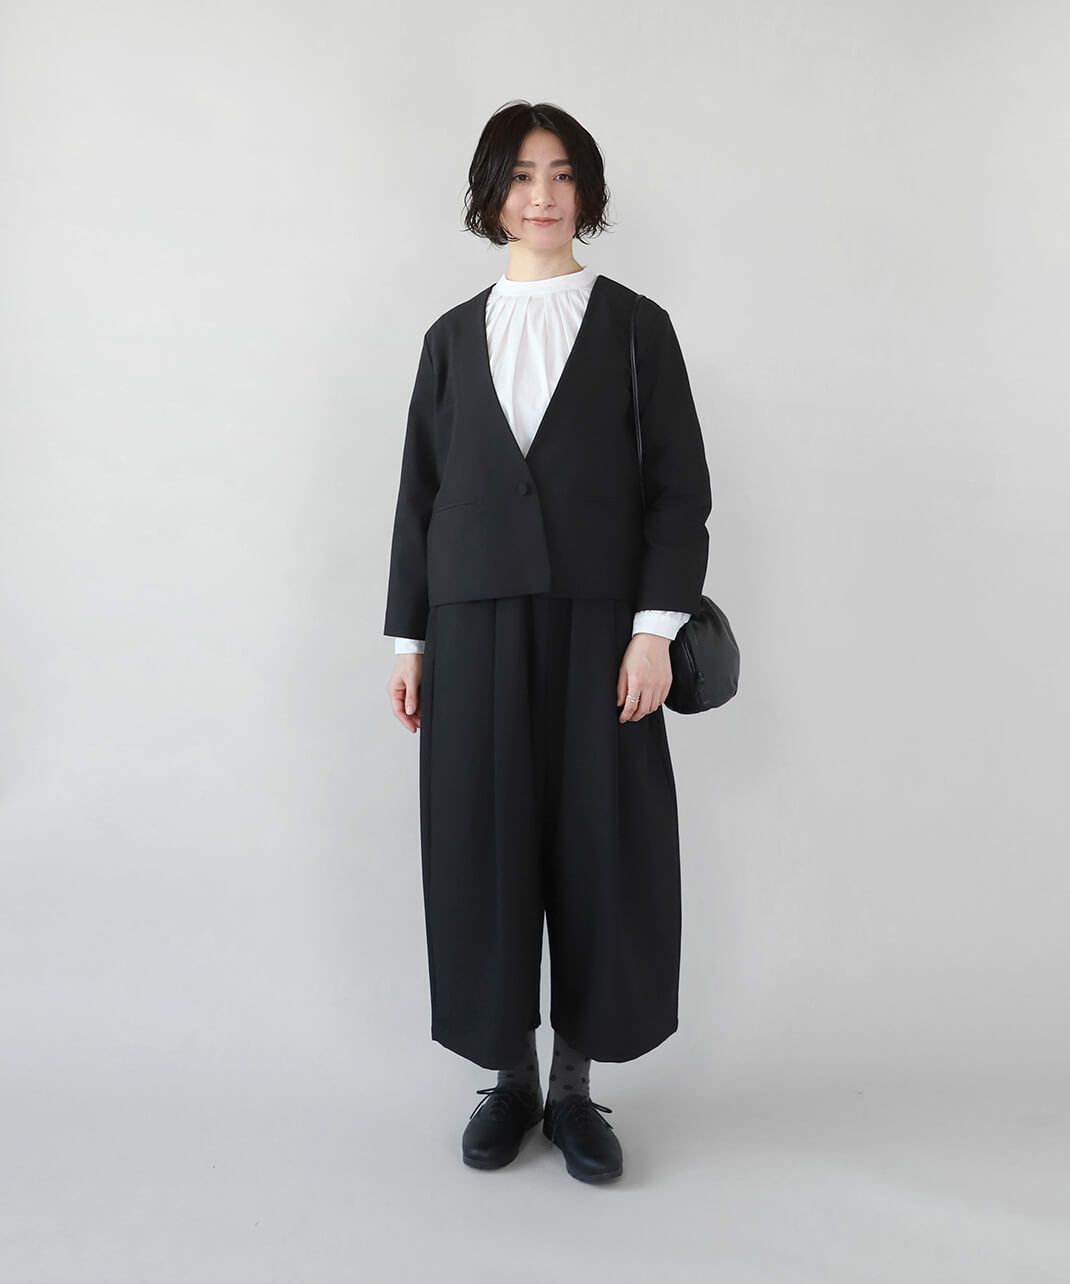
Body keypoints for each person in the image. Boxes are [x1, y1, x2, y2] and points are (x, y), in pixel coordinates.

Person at [383, 100, 712, 1183]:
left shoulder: (637, 329)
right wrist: (407, 642)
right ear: (491, 196)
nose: (542, 196)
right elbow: (419, 499)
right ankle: (510, 1080)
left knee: (598, 848)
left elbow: (678, 494)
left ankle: (573, 1089)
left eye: (562, 175)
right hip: (471, 630)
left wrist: (653, 632)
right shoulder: (448, 339)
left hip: (600, 633)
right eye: (522, 176)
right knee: (483, 849)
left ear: (587, 193)